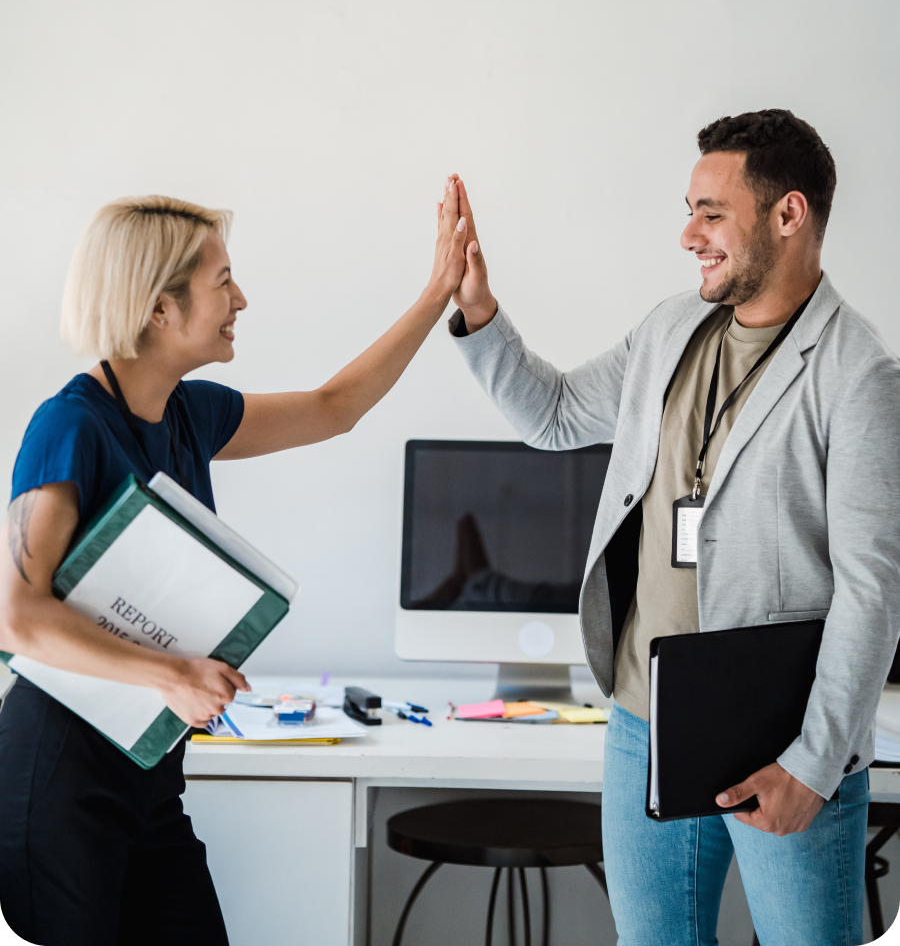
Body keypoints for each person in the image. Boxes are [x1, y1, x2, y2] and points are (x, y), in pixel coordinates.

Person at [444, 109, 900, 946]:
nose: (689, 234)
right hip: (642, 718)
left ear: (788, 214)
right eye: (688, 209)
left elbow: (873, 592)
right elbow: (549, 415)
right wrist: (478, 310)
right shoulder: (669, 330)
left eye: (712, 212)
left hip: (782, 739)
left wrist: (814, 764)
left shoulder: (860, 375)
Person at [0, 184, 471, 946]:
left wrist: (436, 292)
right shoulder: (69, 426)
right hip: (59, 777)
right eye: (223, 282)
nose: (241, 298)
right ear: (159, 308)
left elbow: (333, 406)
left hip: (147, 776)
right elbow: (18, 618)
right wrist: (172, 675)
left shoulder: (191, 413)